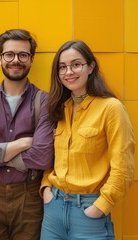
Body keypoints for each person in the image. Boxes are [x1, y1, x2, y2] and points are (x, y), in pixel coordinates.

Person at [40, 40, 135, 240]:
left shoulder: (111, 108)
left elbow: (124, 167)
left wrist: (100, 206)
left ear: (90, 67)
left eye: (76, 64)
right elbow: (54, 157)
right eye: (62, 67)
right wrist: (46, 188)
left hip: (88, 212)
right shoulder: (60, 107)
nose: (68, 72)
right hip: (53, 210)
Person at [0, 29, 55, 240]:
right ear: (0, 59)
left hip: (29, 197)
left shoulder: (44, 101)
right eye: (9, 54)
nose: (15, 60)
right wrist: (22, 143)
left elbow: (43, 156)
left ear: (32, 59)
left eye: (23, 55)